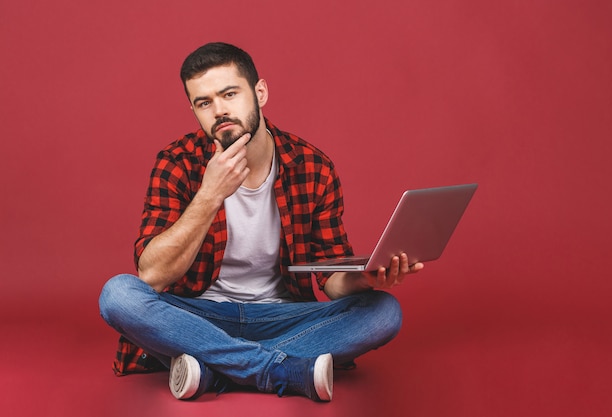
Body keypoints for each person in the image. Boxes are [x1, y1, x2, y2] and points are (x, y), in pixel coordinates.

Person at [98, 42, 423, 402]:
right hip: (200, 316)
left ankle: (212, 369)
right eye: (204, 102)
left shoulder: (313, 166)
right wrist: (209, 195)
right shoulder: (177, 163)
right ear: (193, 109)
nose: (219, 110)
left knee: (383, 312)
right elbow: (152, 276)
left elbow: (330, 280)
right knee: (118, 294)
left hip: (283, 316)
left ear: (260, 92)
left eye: (229, 94)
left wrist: (365, 278)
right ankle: (277, 369)